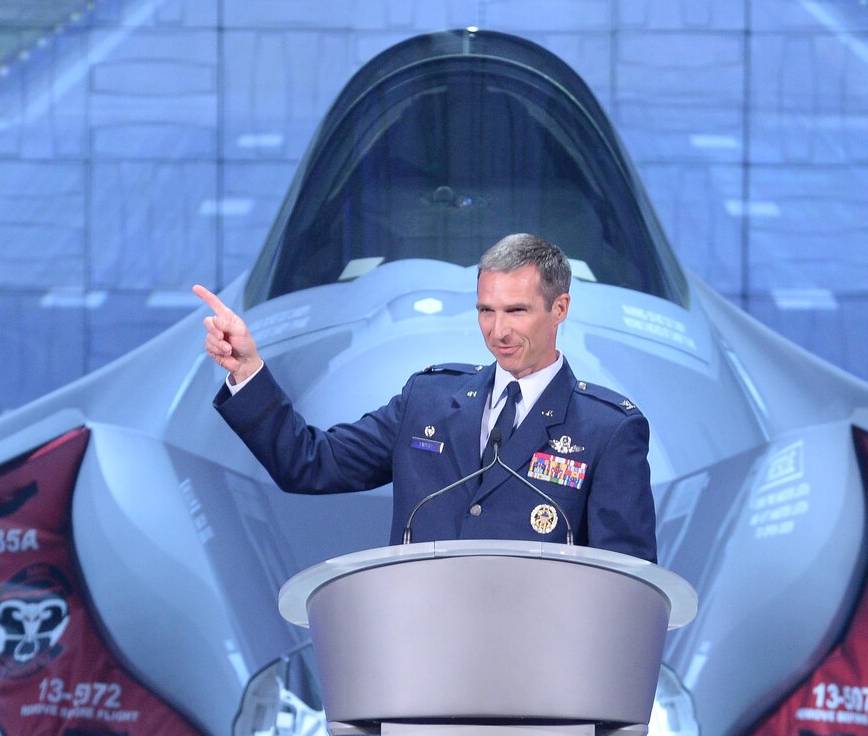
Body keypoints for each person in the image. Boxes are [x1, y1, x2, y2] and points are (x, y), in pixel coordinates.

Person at [195, 232, 658, 561]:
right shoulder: (427, 401)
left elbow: (626, 589)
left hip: (536, 683)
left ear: (560, 309)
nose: (499, 331)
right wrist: (247, 370)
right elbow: (309, 462)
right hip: (421, 672)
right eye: (486, 311)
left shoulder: (607, 430)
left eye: (516, 311)